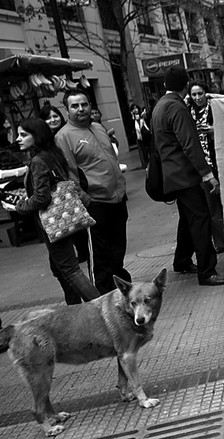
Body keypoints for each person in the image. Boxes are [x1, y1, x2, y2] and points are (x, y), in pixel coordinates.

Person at [1, 119, 100, 305]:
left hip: (53, 222)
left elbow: (42, 197)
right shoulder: (51, 154)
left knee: (70, 270)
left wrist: (19, 206)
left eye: (24, 135)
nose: (18, 139)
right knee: (60, 269)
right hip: (61, 218)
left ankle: (103, 309)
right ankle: (74, 311)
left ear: (37, 136)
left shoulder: (39, 160)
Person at [150, 66, 224, 286]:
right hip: (185, 175)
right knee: (200, 219)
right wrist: (207, 174)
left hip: (172, 175)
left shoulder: (159, 106)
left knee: (188, 219)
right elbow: (190, 144)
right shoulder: (176, 107)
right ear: (185, 85)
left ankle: (182, 260)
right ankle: (207, 271)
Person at [55, 90, 132, 294]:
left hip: (117, 200)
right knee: (99, 257)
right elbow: (69, 174)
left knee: (118, 251)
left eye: (84, 104)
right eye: (75, 106)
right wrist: (85, 199)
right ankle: (101, 300)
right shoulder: (63, 137)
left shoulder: (98, 127)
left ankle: (119, 293)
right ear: (67, 110)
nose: (81, 109)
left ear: (90, 105)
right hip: (95, 204)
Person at [39, 104, 91, 263]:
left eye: (55, 116)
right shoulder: (44, 143)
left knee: (78, 222)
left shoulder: (64, 135)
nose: (52, 120)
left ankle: (84, 251)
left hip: (72, 186)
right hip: (60, 191)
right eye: (48, 118)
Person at [186, 81, 224, 253]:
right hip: (202, 167)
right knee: (212, 208)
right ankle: (220, 243)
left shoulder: (215, 107)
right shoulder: (188, 112)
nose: (197, 98)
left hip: (219, 161)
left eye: (201, 93)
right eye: (193, 95)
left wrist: (214, 129)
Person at [130, 104, 151, 168]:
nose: (135, 109)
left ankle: (151, 161)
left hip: (145, 135)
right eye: (133, 108)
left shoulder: (142, 115)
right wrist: (132, 116)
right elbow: (132, 126)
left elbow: (146, 122)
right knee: (143, 150)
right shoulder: (132, 118)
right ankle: (146, 163)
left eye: (136, 108)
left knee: (149, 148)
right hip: (139, 136)